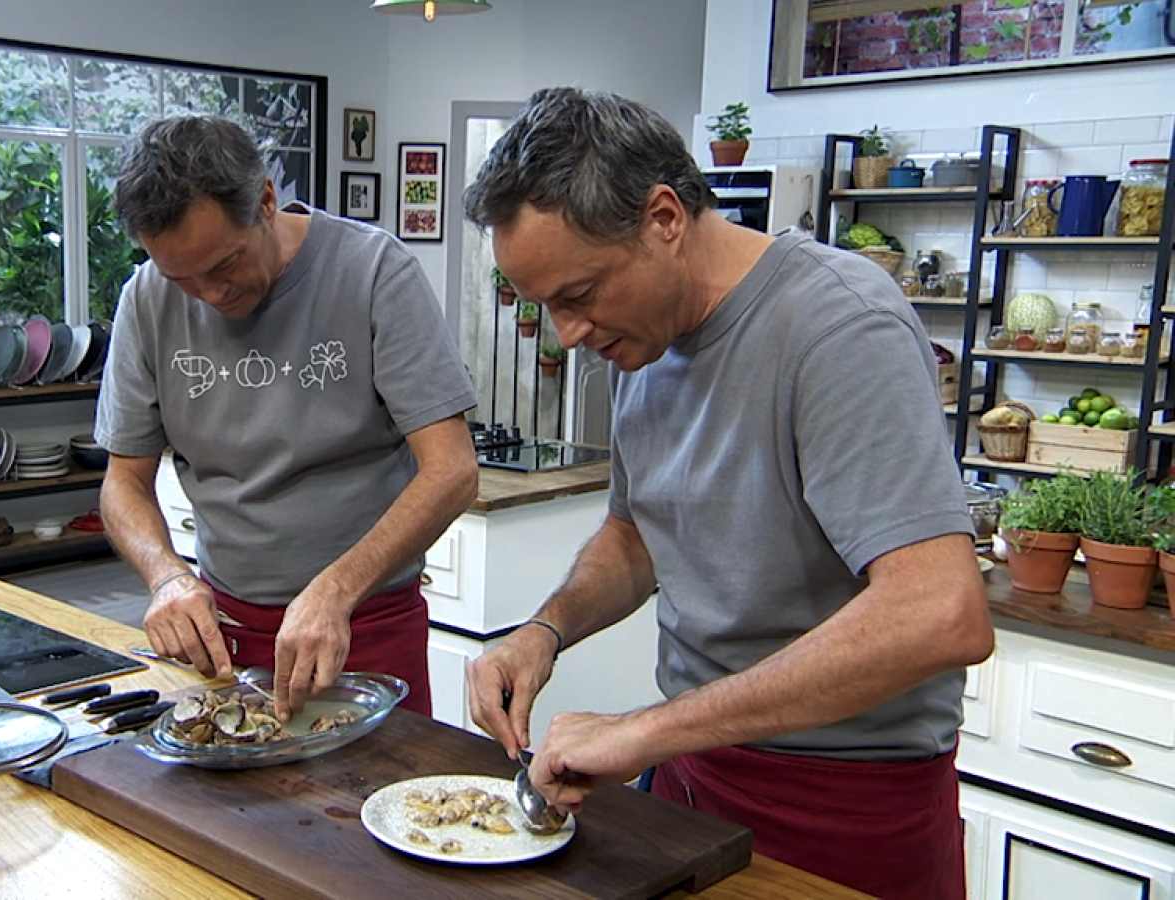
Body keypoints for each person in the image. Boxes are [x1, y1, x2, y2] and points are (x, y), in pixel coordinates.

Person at [460, 87, 993, 900]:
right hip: (695, 787)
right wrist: (543, 632)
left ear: (664, 219)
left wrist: (644, 728)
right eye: (546, 307)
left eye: (578, 295)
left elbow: (938, 612)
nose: (568, 334)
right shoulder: (643, 340)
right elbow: (639, 533)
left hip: (847, 808)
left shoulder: (838, 325)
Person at [95, 115, 479, 720]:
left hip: (364, 622)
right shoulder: (146, 299)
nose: (210, 295)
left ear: (266, 201)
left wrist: (338, 588)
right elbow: (123, 480)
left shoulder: (374, 271)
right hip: (222, 634)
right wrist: (166, 577)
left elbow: (453, 470)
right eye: (182, 278)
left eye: (224, 265)